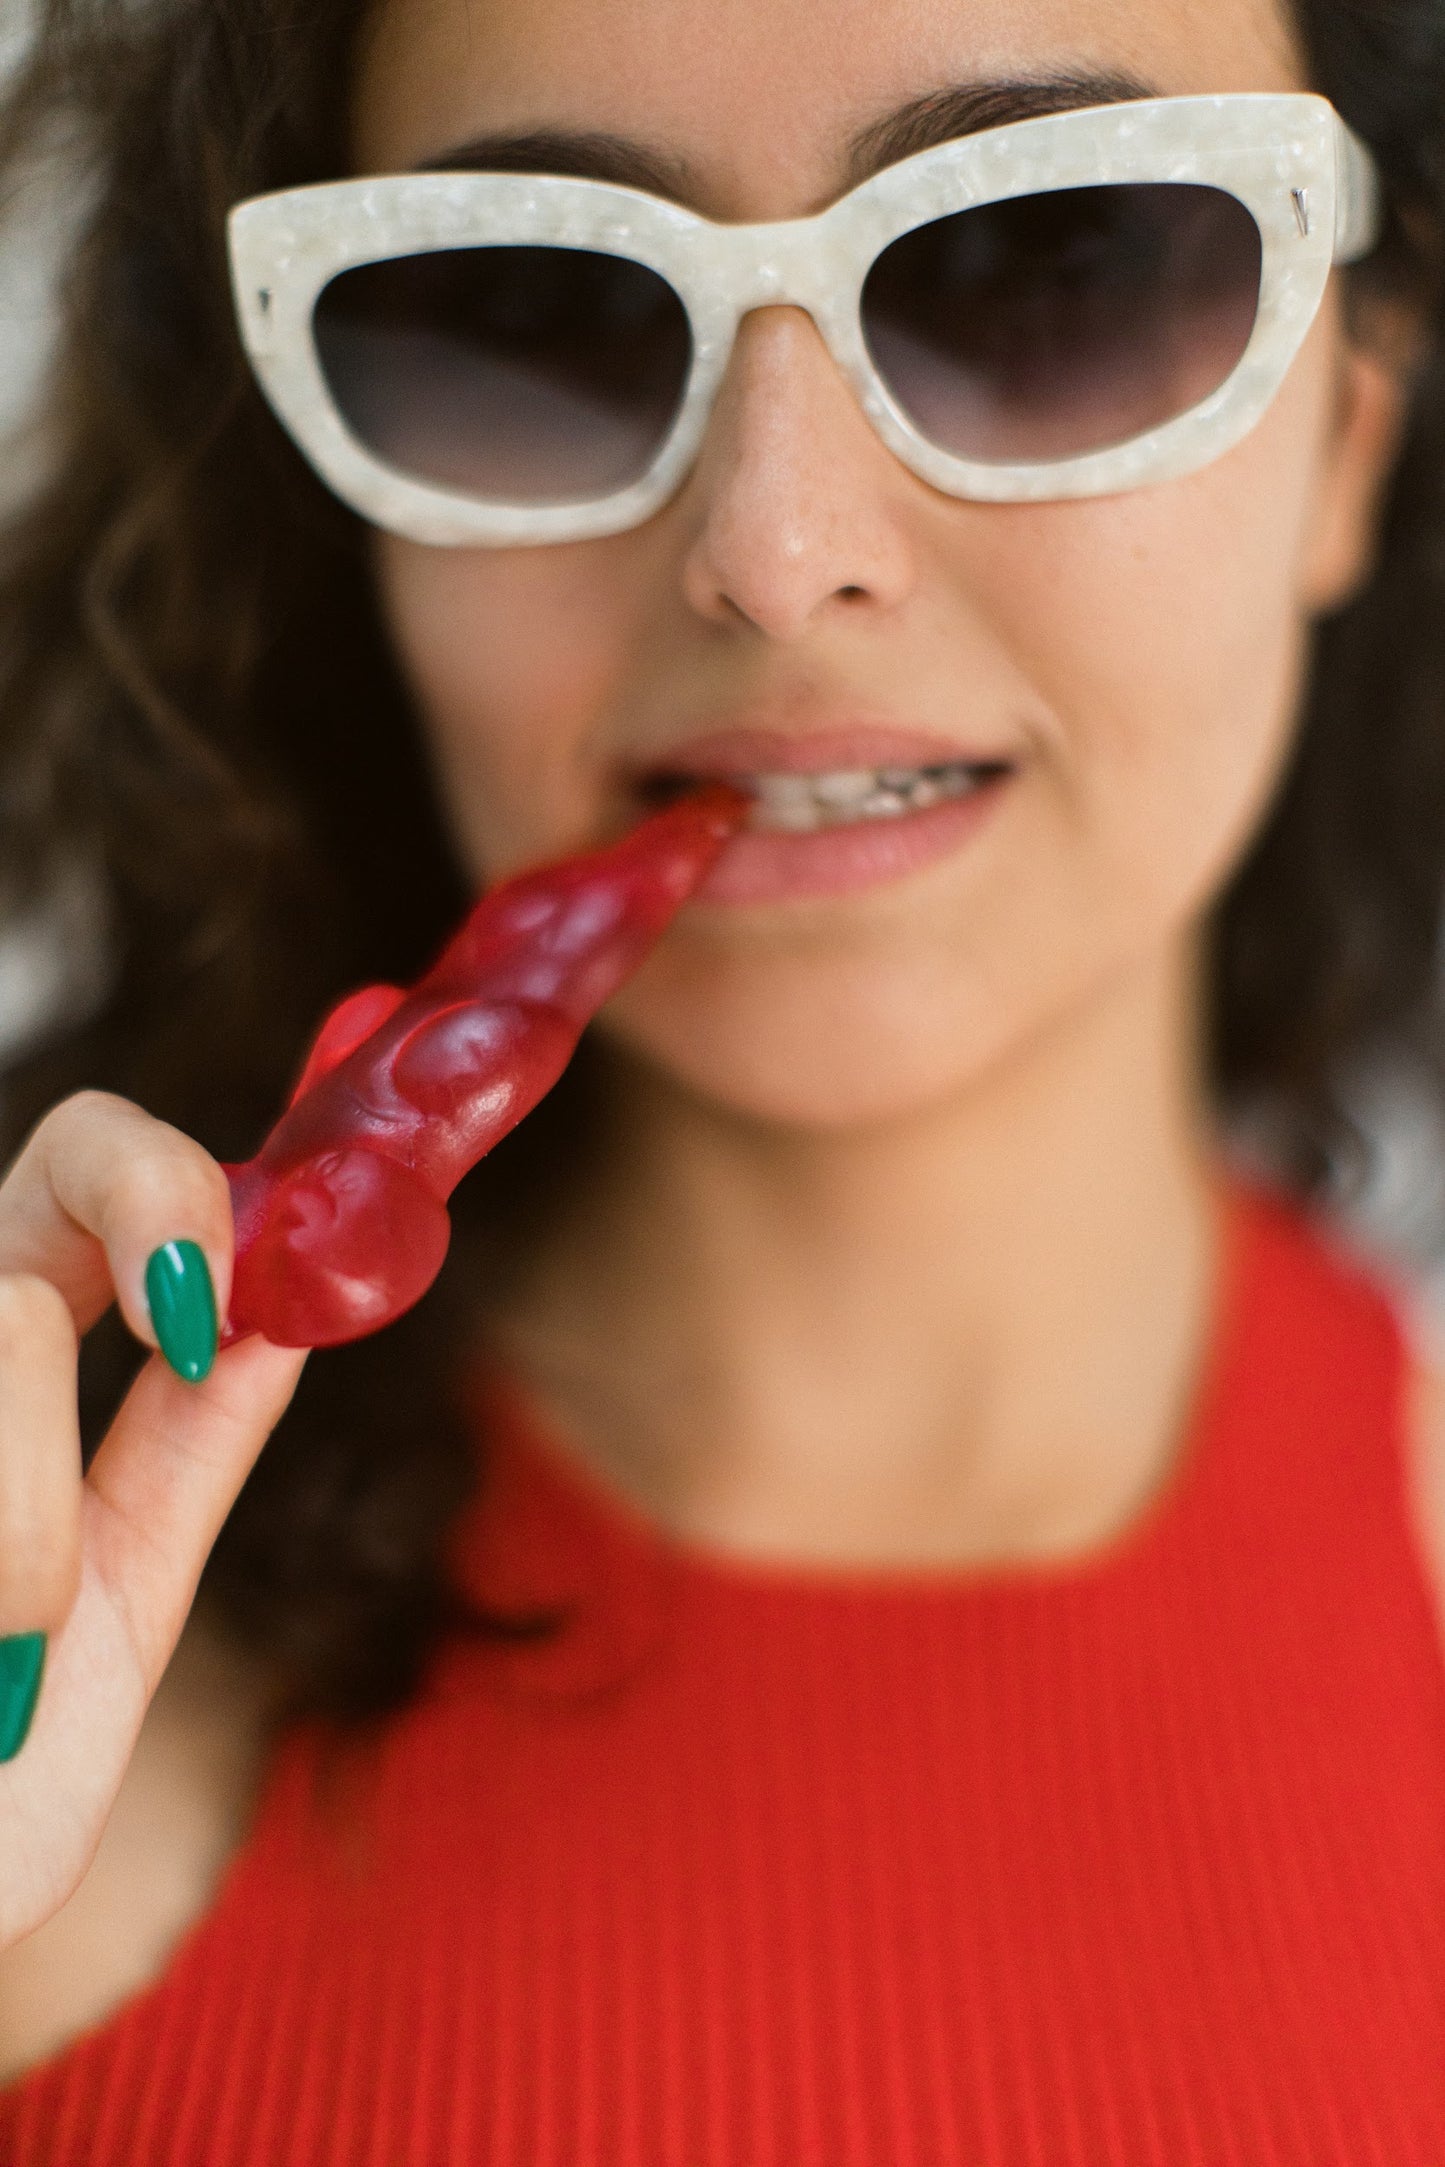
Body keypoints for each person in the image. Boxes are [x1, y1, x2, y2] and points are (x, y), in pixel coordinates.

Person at [0, 0, 1441, 2153]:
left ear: (1349, 428)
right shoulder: (62, 1700)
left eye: (1052, 264)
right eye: (535, 308)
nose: (772, 552)